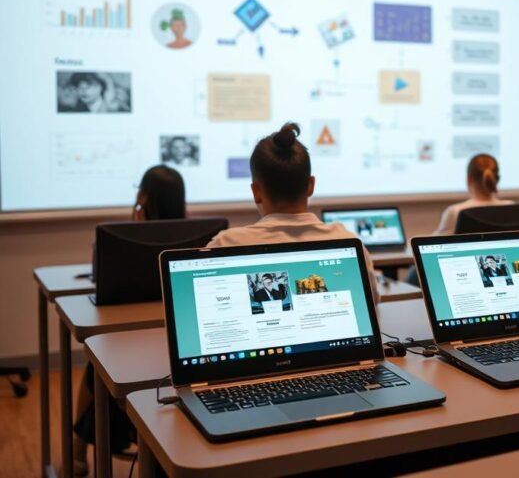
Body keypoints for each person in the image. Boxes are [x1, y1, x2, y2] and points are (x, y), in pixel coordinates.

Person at [73, 165, 186, 475]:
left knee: (95, 363)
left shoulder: (121, 237)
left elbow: (101, 277)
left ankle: (77, 453)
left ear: (144, 197)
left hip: (133, 347)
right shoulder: (200, 237)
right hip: (174, 343)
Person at [206, 122, 378, 300]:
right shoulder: (347, 240)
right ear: (311, 186)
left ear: (256, 192)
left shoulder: (225, 244)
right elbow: (373, 305)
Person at [433, 153, 513, 235]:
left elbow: (436, 242)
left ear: (469, 179)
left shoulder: (455, 212)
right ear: (497, 179)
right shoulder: (511, 208)